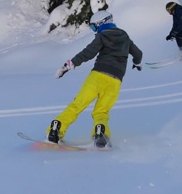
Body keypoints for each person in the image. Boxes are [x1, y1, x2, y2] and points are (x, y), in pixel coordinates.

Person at [47, 10, 143, 148]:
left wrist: (68, 66)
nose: (94, 30)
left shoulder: (102, 36)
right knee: (101, 111)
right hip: (115, 80)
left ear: (101, 23)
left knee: (77, 105)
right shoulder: (124, 36)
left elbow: (88, 53)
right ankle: (100, 133)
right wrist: (137, 63)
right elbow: (138, 53)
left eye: (93, 27)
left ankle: (56, 129)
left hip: (97, 76)